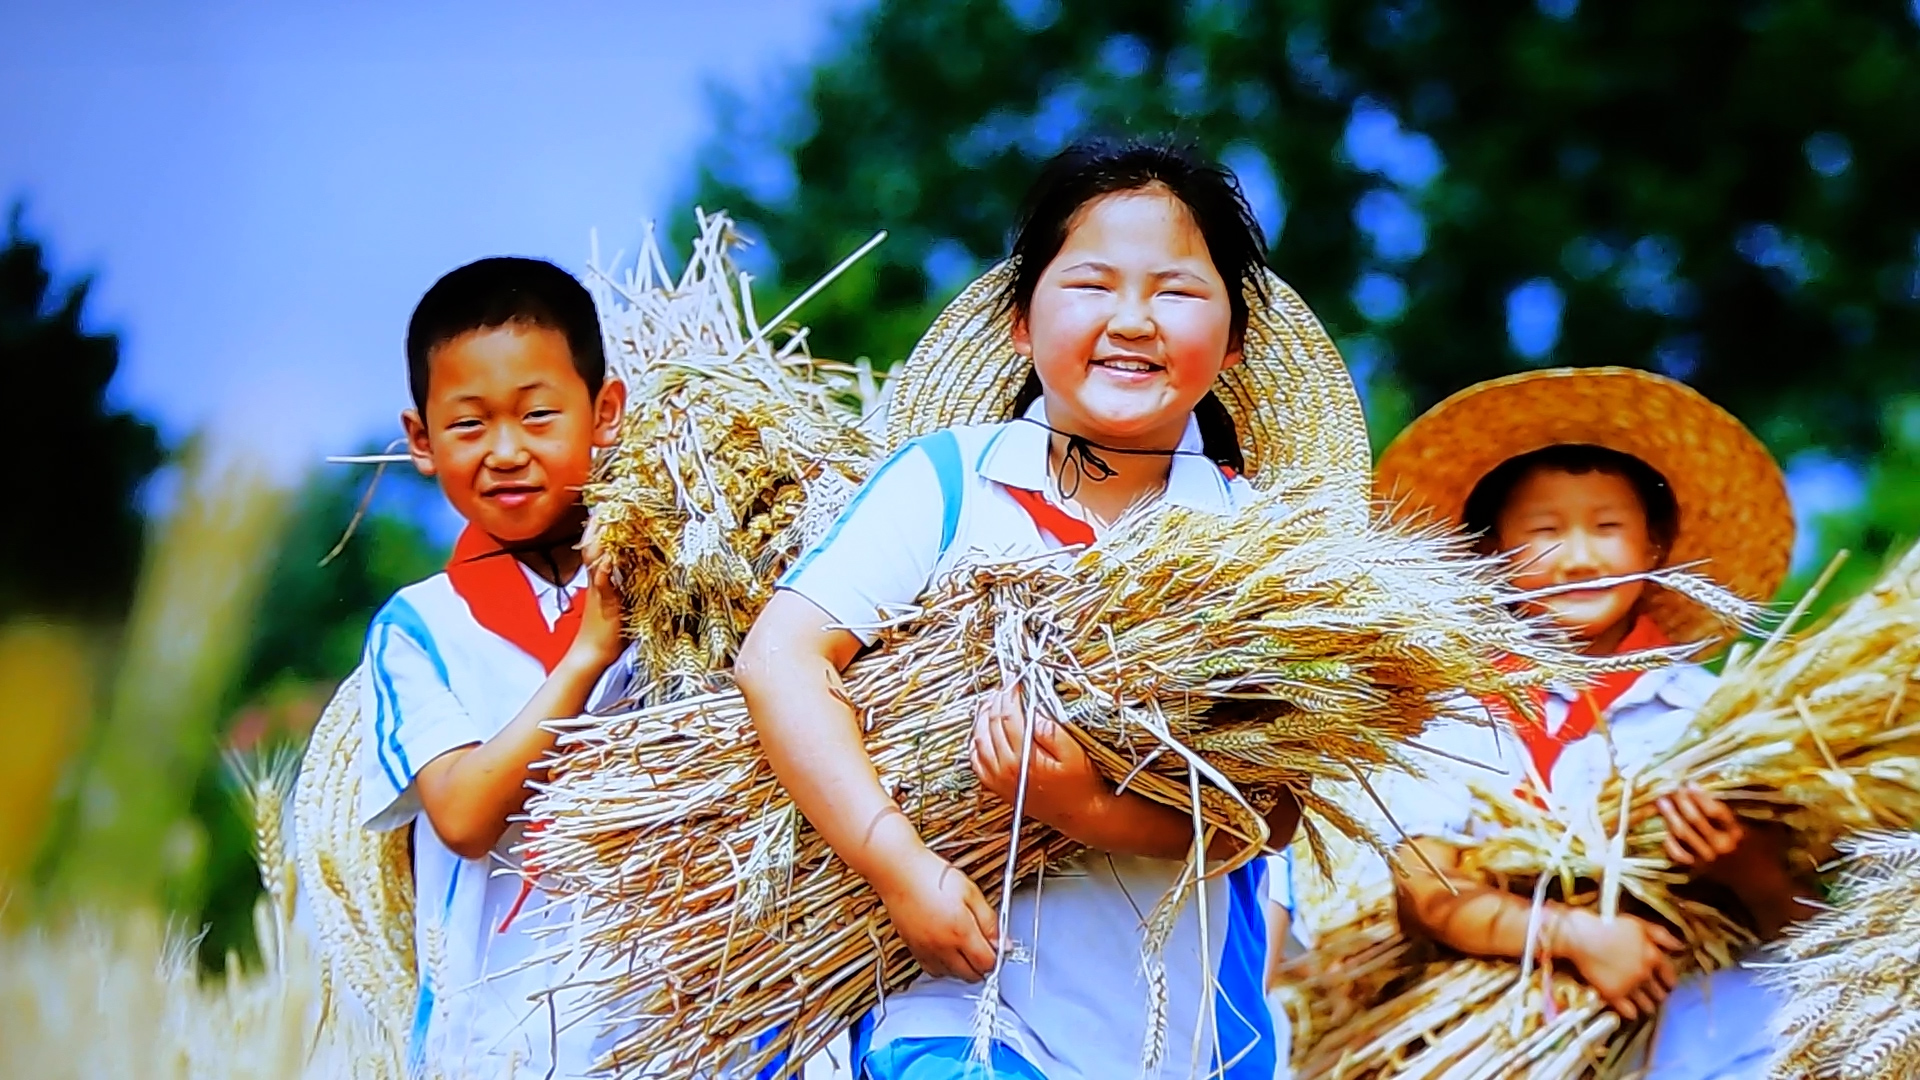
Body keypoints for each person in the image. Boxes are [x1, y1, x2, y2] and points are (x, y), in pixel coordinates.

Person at [735, 138, 1372, 1080]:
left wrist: (1093, 809)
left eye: (1178, 291)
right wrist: (900, 870)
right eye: (1091, 285)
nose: (1133, 320)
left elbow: (1269, 817)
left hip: (1188, 1035)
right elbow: (780, 660)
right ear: (1020, 324)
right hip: (963, 1017)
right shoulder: (947, 486)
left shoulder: (1259, 545)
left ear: (1234, 341)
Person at [1374, 367, 1819, 1079]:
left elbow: (1812, 925)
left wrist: (1744, 865)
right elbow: (1426, 891)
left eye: (1608, 528)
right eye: (1545, 532)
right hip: (1503, 1053)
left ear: (1654, 548)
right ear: (1492, 554)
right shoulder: (1455, 716)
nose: (1579, 558)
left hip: (1715, 1054)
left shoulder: (1720, 719)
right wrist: (1575, 936)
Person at [356, 256, 630, 1078]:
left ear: (604, 412)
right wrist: (589, 656)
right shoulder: (420, 628)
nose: (505, 451)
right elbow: (466, 816)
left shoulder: (681, 587)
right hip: (501, 1041)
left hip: (673, 1027)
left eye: (539, 415)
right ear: (420, 442)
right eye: (469, 426)